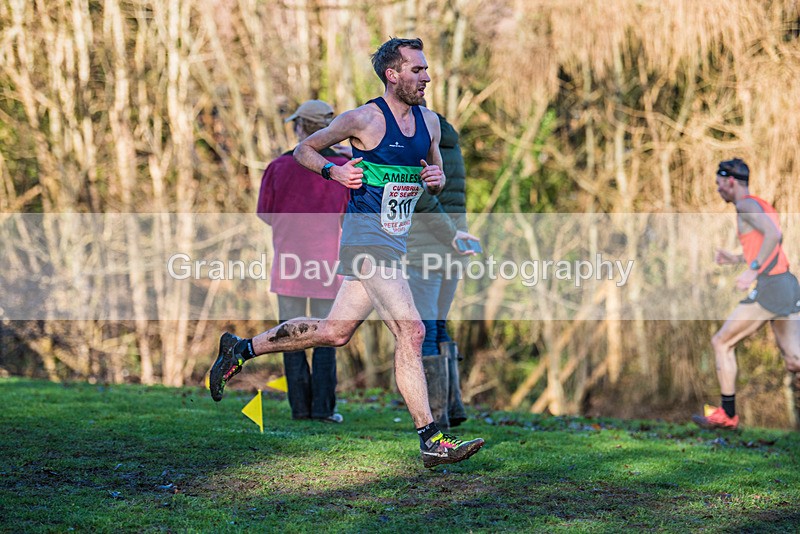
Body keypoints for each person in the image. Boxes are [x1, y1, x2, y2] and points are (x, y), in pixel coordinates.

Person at [209, 37, 484, 468]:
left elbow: (437, 174)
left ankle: (241, 349)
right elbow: (304, 150)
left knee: (334, 332)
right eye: (417, 70)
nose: (426, 77)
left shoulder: (430, 123)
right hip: (365, 242)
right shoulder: (362, 119)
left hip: (394, 242)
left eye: (426, 69)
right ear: (392, 75)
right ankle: (432, 438)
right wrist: (334, 172)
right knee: (411, 332)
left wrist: (434, 178)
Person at [256, 99, 350, 423]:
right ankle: (323, 410)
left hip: (289, 263)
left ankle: (299, 409)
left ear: (300, 128)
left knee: (288, 335)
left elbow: (265, 215)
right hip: (329, 264)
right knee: (326, 334)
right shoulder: (344, 171)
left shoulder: (277, 168)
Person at [692, 158, 800, 430]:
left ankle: (727, 414)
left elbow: (774, 236)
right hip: (785, 283)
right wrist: (736, 258)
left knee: (721, 342)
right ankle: (727, 414)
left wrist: (752, 270)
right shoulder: (761, 204)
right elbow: (766, 242)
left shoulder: (745, 205)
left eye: (719, 184)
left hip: (771, 286)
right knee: (794, 360)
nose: (718, 190)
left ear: (730, 181)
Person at [405, 103, 477, 431]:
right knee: (439, 324)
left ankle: (437, 416)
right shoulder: (450, 141)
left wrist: (450, 236)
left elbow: (423, 200)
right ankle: (453, 405)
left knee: (427, 329)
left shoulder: (418, 143)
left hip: (426, 250)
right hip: (453, 252)